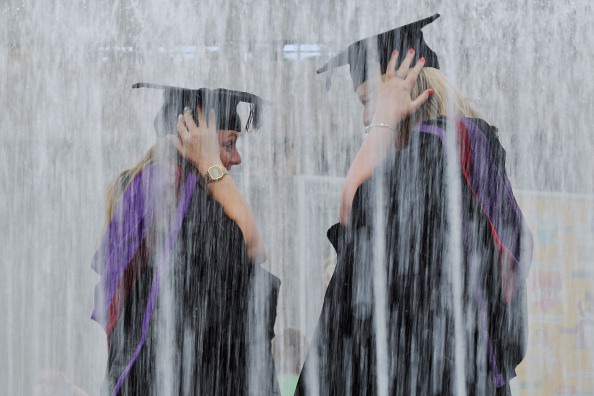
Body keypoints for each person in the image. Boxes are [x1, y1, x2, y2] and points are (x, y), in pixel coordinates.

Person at [295, 14, 532, 395]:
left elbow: (353, 211)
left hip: (431, 366)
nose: (365, 117)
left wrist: (382, 126)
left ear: (411, 89)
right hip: (461, 363)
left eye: (370, 100)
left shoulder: (430, 151)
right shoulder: (470, 143)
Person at [91, 83, 281, 395]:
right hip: (179, 374)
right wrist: (211, 165)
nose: (237, 158)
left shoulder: (152, 180)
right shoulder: (173, 185)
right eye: (229, 144)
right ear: (195, 135)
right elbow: (252, 245)